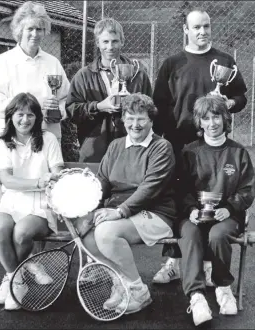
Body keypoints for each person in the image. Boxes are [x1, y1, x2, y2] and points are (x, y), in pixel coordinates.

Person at [152, 7, 248, 284]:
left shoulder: (224, 60)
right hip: (180, 144)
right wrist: (164, 143)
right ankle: (172, 262)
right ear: (186, 30)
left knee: (209, 200)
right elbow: (159, 104)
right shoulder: (172, 63)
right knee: (179, 202)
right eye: (196, 27)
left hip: (214, 144)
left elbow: (240, 96)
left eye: (206, 26)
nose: (202, 32)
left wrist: (228, 103)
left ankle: (207, 264)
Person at [76, 93, 177, 314]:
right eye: (130, 118)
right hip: (119, 212)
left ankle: (139, 292)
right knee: (88, 235)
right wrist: (88, 210)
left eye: (141, 118)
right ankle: (121, 285)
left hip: (156, 213)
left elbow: (149, 189)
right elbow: (102, 181)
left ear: (151, 120)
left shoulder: (162, 147)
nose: (135, 124)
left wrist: (120, 212)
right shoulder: (115, 146)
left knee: (106, 233)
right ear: (123, 119)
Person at [176, 94, 255, 326]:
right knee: (189, 233)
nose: (212, 123)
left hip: (227, 216)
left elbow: (248, 188)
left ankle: (223, 287)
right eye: (206, 118)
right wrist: (191, 208)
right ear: (199, 122)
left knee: (218, 234)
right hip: (195, 215)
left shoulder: (238, 152)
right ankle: (197, 296)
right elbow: (181, 188)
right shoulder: (189, 152)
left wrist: (230, 208)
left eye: (217, 117)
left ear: (225, 119)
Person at [0, 92, 64, 310]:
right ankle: (15, 280)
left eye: (31, 115)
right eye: (20, 114)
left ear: (37, 117)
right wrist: (38, 181)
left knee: (21, 232)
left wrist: (53, 177)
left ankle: (10, 280)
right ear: (11, 116)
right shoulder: (1, 141)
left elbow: (58, 171)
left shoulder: (48, 139)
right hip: (12, 200)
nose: (25, 120)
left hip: (40, 203)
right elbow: (7, 180)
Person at [66, 18, 152, 162]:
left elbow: (151, 110)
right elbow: (71, 111)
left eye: (115, 41)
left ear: (122, 42)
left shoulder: (138, 74)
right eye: (105, 42)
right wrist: (99, 106)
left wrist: (132, 106)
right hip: (94, 150)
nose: (110, 47)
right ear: (97, 43)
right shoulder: (84, 76)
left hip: (132, 147)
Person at [0, 1, 70, 144]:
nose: (35, 34)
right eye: (30, 28)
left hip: (46, 137)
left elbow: (66, 99)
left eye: (39, 29)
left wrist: (57, 112)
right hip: (11, 137)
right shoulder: (3, 61)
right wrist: (27, 113)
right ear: (20, 30)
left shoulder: (53, 63)